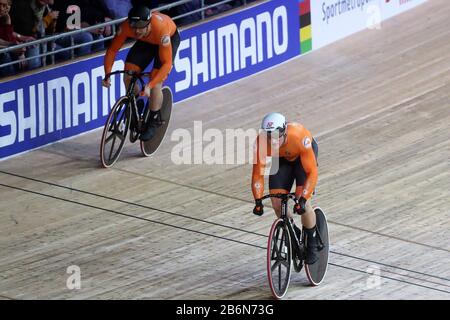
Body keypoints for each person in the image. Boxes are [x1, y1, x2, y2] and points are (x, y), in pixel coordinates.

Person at [102, 5, 180, 141]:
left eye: (140, 27)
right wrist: (107, 73)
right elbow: (112, 50)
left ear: (148, 24)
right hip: (146, 41)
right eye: (134, 27)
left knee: (155, 83)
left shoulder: (161, 30)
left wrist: (149, 86)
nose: (137, 31)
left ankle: (154, 120)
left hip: (166, 40)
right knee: (128, 74)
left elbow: (167, 64)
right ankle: (136, 103)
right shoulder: (127, 26)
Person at [251, 112, 320, 264]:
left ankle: (313, 242)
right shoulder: (261, 143)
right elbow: (257, 174)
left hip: (303, 159)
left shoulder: (299, 135)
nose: (273, 140)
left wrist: (302, 198)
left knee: (304, 203)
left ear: (284, 131)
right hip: (281, 160)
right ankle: (293, 232)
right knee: (277, 203)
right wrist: (257, 200)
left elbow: (312, 172)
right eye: (269, 136)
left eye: (277, 135)